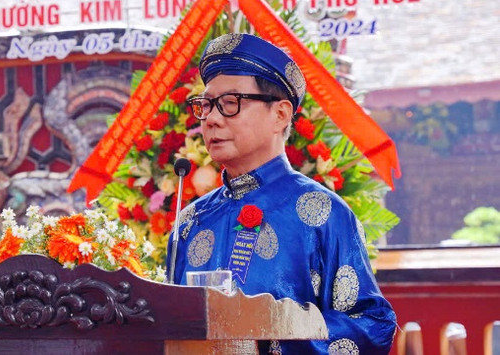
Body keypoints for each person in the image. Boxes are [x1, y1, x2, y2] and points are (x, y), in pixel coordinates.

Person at [167, 33, 396, 354]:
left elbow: (373, 325)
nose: (212, 119)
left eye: (230, 103)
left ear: (281, 114)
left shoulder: (323, 213)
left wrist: (272, 340)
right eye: (205, 106)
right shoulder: (191, 220)